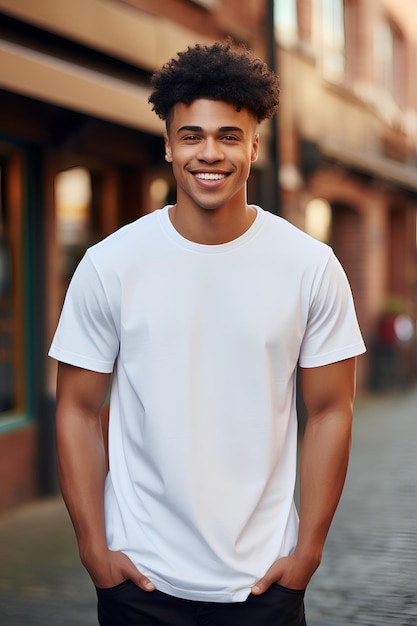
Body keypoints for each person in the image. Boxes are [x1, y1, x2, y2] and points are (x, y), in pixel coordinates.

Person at [49, 40, 366, 626]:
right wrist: (94, 548)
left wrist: (309, 553)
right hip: (139, 580)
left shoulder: (310, 266)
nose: (209, 153)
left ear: (253, 145)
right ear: (168, 145)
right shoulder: (110, 264)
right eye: (191, 135)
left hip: (264, 582)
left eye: (227, 135)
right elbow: (75, 408)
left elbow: (329, 413)